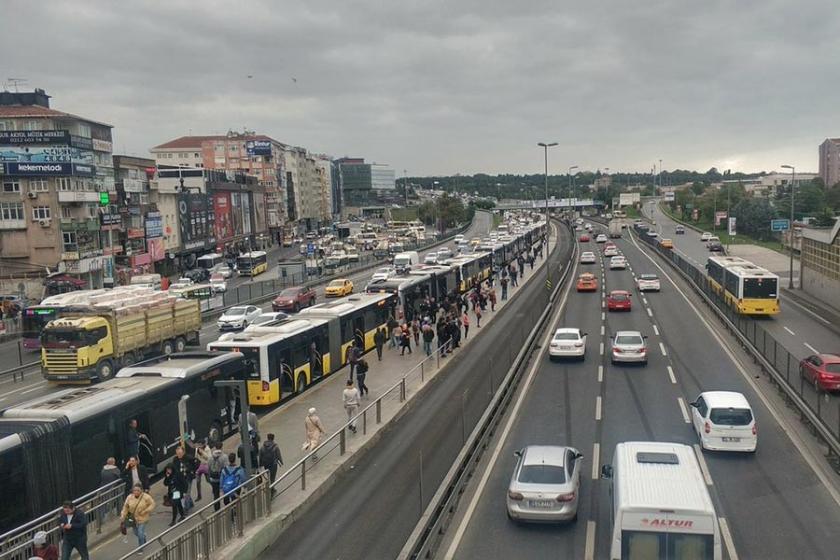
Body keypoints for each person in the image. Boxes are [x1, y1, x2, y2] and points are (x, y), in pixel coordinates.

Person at [120, 484, 155, 549]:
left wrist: (145, 511)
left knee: (140, 532)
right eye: (134, 490)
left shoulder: (146, 497)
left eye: (138, 490)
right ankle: (143, 537)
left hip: (143, 518)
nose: (136, 492)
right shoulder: (129, 497)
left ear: (141, 490)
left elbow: (152, 504)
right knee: (136, 533)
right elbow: (125, 507)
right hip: (132, 518)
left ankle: (140, 548)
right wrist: (123, 515)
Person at [207, 444, 227, 511]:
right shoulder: (224, 457)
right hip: (222, 479)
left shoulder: (210, 457)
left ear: (215, 448)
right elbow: (225, 468)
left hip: (213, 479)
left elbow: (209, 468)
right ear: (221, 447)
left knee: (216, 494)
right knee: (225, 492)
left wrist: (210, 477)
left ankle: (217, 509)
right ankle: (227, 505)